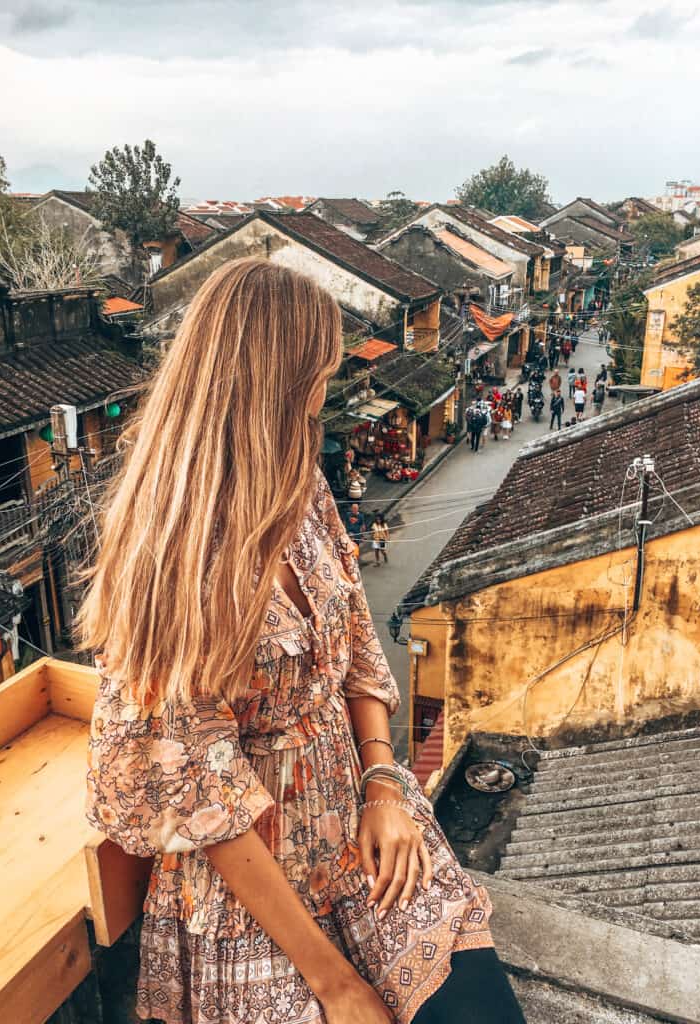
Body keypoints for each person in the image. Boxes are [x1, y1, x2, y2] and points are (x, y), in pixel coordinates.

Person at [80, 258, 525, 1024]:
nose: (330, 387)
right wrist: (336, 983)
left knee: (480, 1013)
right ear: (275, 381)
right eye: (320, 370)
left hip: (356, 812)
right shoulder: (175, 556)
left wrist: (383, 780)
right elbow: (198, 786)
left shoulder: (302, 484)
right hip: (252, 882)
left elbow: (354, 633)